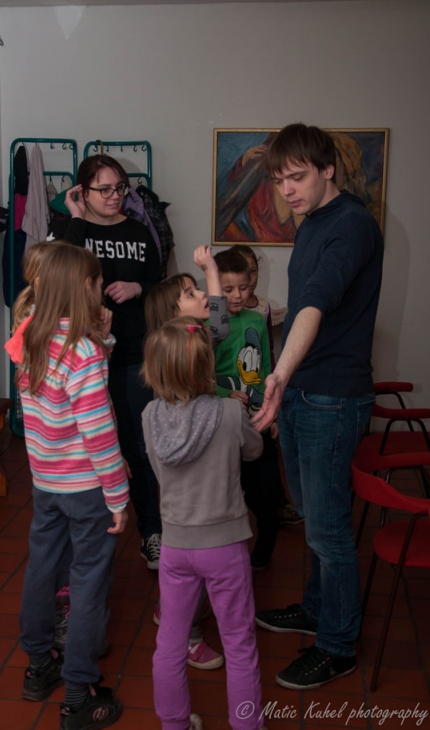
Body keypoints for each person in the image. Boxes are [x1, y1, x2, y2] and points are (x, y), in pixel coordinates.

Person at [253, 123, 383, 690]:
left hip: (332, 397)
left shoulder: (352, 225)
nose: (288, 190)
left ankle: (337, 645)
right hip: (304, 390)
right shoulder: (311, 224)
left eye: (298, 177)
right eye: (279, 180)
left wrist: (278, 376)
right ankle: (315, 608)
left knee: (329, 531)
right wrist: (286, 380)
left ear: (329, 169)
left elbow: (314, 303)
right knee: (312, 520)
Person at [15, 242, 129, 729]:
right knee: (87, 583)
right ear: (83, 288)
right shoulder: (83, 351)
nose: (101, 289)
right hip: (86, 487)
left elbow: (58, 399)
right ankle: (79, 692)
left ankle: (39, 664)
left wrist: (101, 340)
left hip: (46, 480)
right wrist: (118, 496)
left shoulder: (29, 334)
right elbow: (98, 433)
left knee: (42, 568)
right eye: (97, 283)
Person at [141, 317, 266, 730]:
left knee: (170, 643)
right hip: (225, 546)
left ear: (154, 369)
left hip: (176, 544)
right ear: (207, 366)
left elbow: (159, 470)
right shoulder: (230, 413)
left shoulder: (149, 416)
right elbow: (254, 450)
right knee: (239, 644)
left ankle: (174, 724)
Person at [61, 155, 163, 569]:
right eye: (104, 189)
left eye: (120, 188)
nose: (115, 196)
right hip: (83, 359)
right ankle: (89, 542)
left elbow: (159, 282)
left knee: (139, 448)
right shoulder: (71, 231)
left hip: (132, 354)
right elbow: (56, 277)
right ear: (82, 192)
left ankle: (151, 532)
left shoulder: (138, 230)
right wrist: (75, 219)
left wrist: (138, 288)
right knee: (87, 451)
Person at [145, 245, 229, 671]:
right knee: (192, 563)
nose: (203, 297)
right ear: (173, 315)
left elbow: (220, 317)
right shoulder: (190, 344)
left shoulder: (188, 343)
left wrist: (210, 270)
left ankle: (172, 610)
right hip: (194, 487)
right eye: (191, 294)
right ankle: (190, 636)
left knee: (183, 561)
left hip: (183, 490)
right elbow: (221, 319)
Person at [212, 249, 280, 571]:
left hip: (257, 420)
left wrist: (271, 409)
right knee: (227, 493)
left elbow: (266, 367)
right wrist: (225, 393)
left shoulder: (257, 319)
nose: (238, 295)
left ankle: (263, 553)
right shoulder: (211, 325)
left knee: (266, 492)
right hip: (222, 424)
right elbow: (199, 376)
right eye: (228, 290)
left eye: (243, 287)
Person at [230, 244, 303, 529]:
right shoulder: (218, 316)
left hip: (258, 397)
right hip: (230, 400)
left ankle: (274, 506)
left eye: (252, 271)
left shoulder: (261, 309)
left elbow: (266, 355)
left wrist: (272, 401)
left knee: (265, 457)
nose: (248, 280)